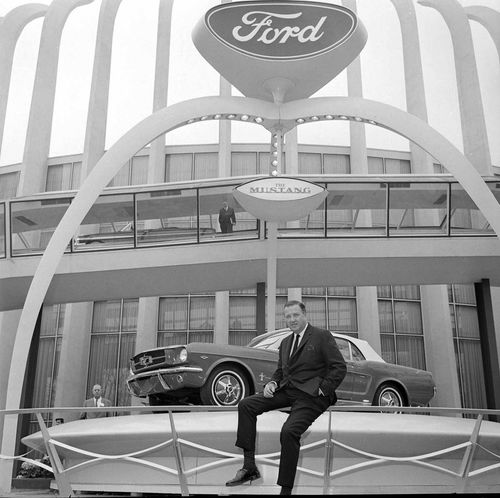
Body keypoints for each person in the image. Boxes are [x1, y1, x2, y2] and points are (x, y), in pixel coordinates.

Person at [226, 300, 347, 495]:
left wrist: (323, 390)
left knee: (289, 431)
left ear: (304, 314)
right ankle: (249, 466)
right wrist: (272, 384)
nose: (292, 320)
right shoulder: (285, 343)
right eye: (288, 316)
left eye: (295, 315)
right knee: (246, 405)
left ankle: (286, 490)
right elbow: (281, 371)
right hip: (288, 391)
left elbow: (339, 367)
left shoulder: (321, 336)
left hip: (312, 396)